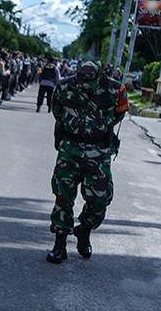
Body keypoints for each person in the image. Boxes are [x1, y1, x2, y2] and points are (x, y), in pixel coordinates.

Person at [46, 58, 129, 264]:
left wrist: (97, 128)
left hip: (99, 151)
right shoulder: (65, 85)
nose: (84, 84)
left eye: (89, 80)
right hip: (70, 149)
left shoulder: (115, 89)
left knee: (100, 200)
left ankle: (84, 230)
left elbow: (120, 113)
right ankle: (60, 244)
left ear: (100, 76)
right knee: (63, 197)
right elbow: (57, 110)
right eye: (82, 78)